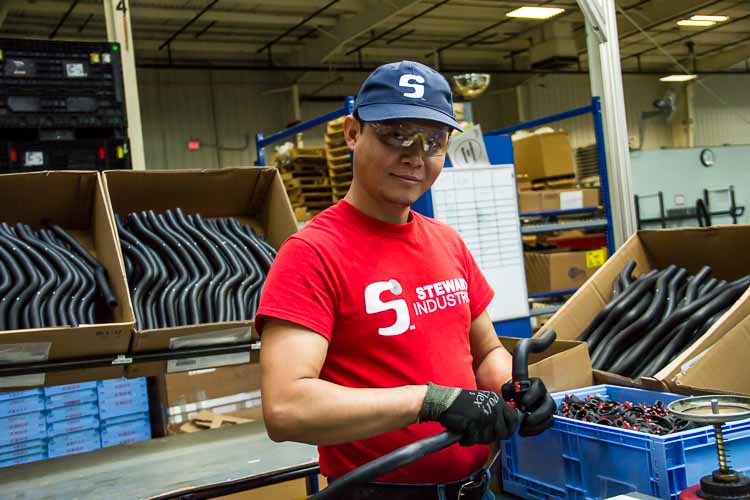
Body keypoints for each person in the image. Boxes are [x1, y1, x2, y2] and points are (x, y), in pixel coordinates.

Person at [256, 60, 556, 500]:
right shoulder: (313, 254)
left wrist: (513, 389)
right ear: (353, 133)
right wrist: (430, 401)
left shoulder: (447, 243)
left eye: (433, 141)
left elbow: (486, 350)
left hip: (474, 489)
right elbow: (286, 408)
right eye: (396, 134)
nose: (415, 156)